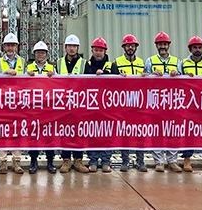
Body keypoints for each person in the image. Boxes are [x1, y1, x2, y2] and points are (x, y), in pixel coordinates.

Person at [145, 32, 183, 174]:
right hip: (156, 101)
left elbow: (183, 79)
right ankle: (159, 161)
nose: (163, 46)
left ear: (169, 45)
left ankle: (172, 160)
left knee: (172, 131)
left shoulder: (177, 61)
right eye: (160, 44)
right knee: (157, 131)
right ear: (156, 46)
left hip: (173, 101)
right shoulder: (150, 60)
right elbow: (144, 78)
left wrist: (176, 74)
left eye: (165, 44)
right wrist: (152, 75)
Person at [179, 36, 202, 172]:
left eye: (199, 47)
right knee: (188, 132)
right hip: (189, 103)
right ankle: (187, 160)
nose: (197, 50)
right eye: (194, 47)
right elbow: (177, 81)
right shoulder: (183, 63)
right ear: (190, 49)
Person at [110, 34, 147, 172]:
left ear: (136, 47)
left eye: (132, 45)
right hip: (124, 104)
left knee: (139, 133)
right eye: (128, 46)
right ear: (124, 47)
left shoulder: (142, 63)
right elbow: (111, 83)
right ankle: (125, 161)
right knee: (125, 133)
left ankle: (140, 161)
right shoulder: (117, 62)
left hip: (138, 104)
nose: (130, 48)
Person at [56, 35, 90, 174]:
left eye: (74, 46)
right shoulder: (58, 63)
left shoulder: (84, 63)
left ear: (77, 48)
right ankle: (66, 160)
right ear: (65, 48)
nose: (72, 48)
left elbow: (90, 83)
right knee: (65, 131)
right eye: (69, 46)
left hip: (79, 104)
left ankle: (78, 160)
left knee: (78, 132)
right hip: (63, 103)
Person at [0, 33, 26, 174]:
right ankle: (2, 162)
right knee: (2, 131)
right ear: (4, 47)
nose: (10, 48)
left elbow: (27, 81)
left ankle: (16, 161)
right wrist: (4, 73)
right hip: (2, 102)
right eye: (8, 45)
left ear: (16, 47)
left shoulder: (23, 62)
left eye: (13, 45)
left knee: (17, 131)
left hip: (18, 102)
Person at [26, 41, 56, 174]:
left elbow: (59, 85)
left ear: (46, 54)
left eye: (43, 53)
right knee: (33, 134)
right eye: (38, 53)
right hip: (33, 107)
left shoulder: (52, 68)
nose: (40, 55)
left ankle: (50, 161)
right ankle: (33, 161)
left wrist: (53, 76)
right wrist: (26, 76)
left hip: (48, 107)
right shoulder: (28, 68)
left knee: (49, 135)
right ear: (34, 54)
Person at [84, 37, 113, 173]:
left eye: (101, 50)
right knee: (92, 133)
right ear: (92, 51)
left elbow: (117, 83)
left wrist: (105, 74)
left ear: (105, 51)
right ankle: (93, 160)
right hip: (91, 105)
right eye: (96, 50)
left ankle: (106, 160)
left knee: (107, 133)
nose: (98, 52)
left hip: (107, 105)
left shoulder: (111, 65)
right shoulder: (87, 65)